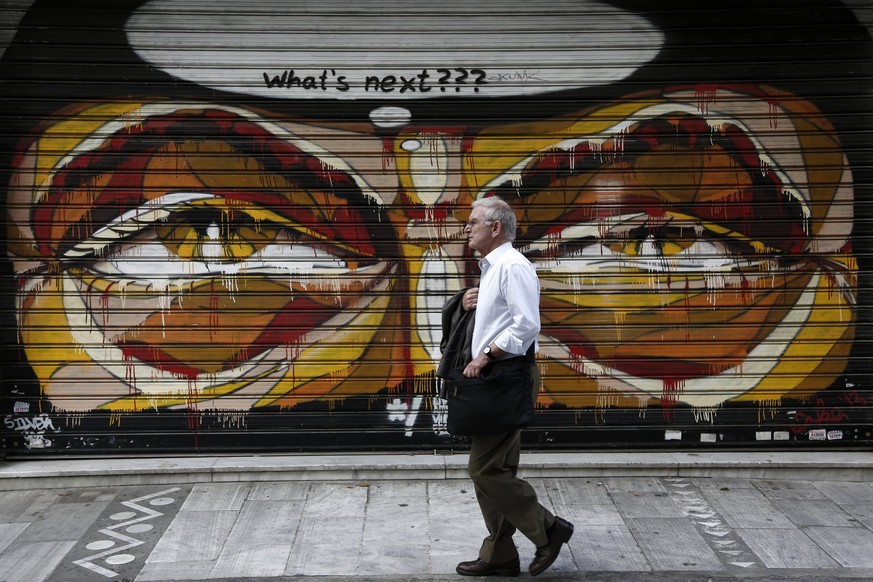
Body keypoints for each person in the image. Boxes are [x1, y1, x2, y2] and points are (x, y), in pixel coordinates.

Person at [455, 196, 574, 577]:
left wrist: (486, 354)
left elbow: (526, 325)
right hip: (498, 379)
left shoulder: (513, 266)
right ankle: (499, 555)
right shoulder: (493, 268)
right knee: (496, 470)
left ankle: (549, 529)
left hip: (506, 376)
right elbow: (500, 318)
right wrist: (467, 302)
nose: (466, 227)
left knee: (485, 471)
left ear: (496, 228)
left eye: (473, 221)